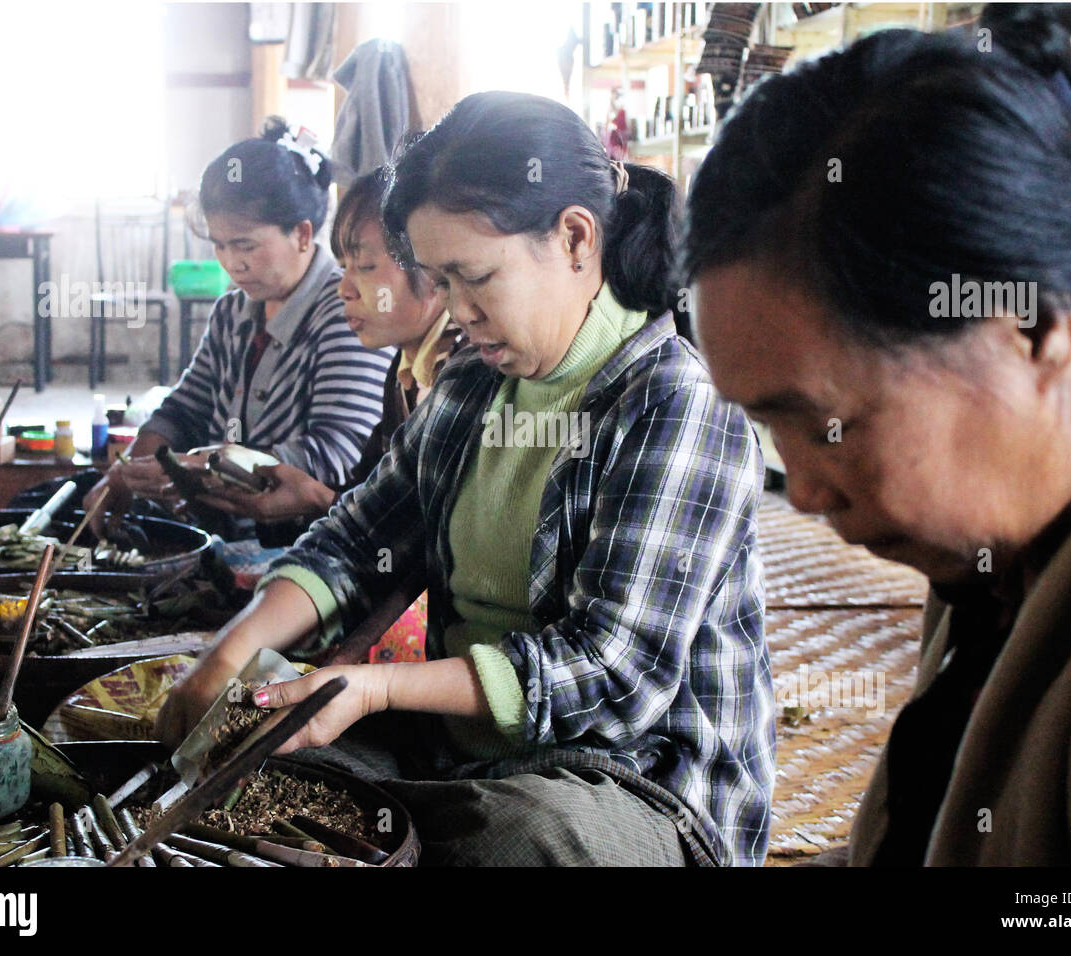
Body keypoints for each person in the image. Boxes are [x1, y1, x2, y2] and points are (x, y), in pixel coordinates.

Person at [157, 91, 774, 867]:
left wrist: (378, 691)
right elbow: (357, 538)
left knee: (517, 842)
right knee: (244, 769)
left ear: (576, 238)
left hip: (629, 780)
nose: (458, 312)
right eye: (441, 283)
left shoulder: (675, 405)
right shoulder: (473, 386)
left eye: (474, 276)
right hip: (462, 758)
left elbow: (612, 676)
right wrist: (230, 650)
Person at [684, 5, 1071, 865]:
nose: (804, 490)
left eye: (828, 424)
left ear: (1030, 331)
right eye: (771, 428)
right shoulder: (1001, 557)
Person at [83, 117, 394, 539]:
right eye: (219, 245)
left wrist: (205, 467)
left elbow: (336, 453)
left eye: (245, 245)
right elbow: (183, 410)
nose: (232, 263)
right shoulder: (233, 311)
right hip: (225, 536)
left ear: (302, 234)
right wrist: (124, 475)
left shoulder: (346, 311)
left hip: (308, 541)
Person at [195, 165, 460, 540]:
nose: (345, 290)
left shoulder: (463, 377)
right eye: (343, 268)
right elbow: (374, 500)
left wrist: (318, 499)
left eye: (365, 267)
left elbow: (425, 543)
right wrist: (317, 500)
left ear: (432, 266)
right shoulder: (404, 374)